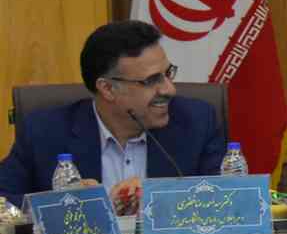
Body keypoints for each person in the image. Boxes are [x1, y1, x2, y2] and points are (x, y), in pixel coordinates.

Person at [0, 20, 225, 208]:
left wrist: (158, 199)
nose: (169, 89)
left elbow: (225, 199)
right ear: (107, 88)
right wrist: (67, 205)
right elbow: (3, 201)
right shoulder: (44, 132)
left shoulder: (196, 121)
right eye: (151, 80)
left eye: (168, 74)